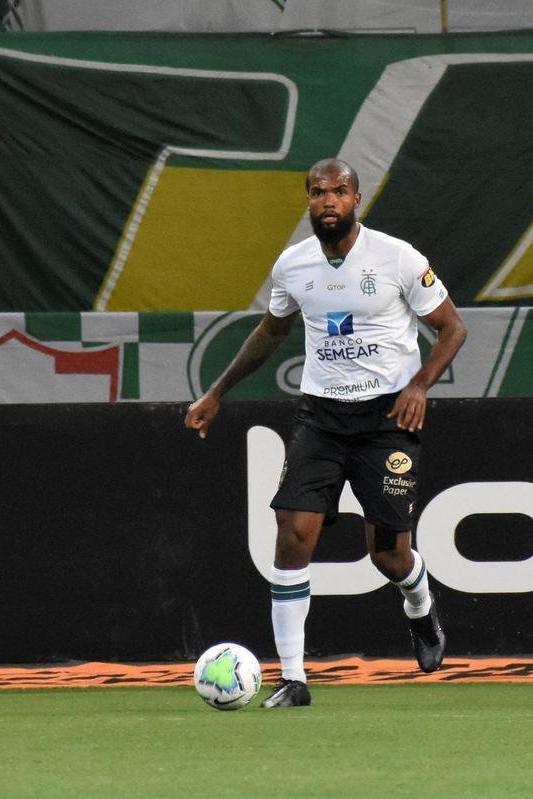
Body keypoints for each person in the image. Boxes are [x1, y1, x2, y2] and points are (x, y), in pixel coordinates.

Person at [184, 158, 467, 708]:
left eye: (339, 191)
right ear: (309, 201)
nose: (328, 201)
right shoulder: (293, 265)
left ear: (357, 199)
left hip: (387, 418)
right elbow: (272, 330)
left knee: (388, 557)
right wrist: (217, 392)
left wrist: (419, 387)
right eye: (318, 192)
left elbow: (452, 327)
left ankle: (419, 605)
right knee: (292, 533)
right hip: (322, 417)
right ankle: (294, 679)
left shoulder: (397, 257)